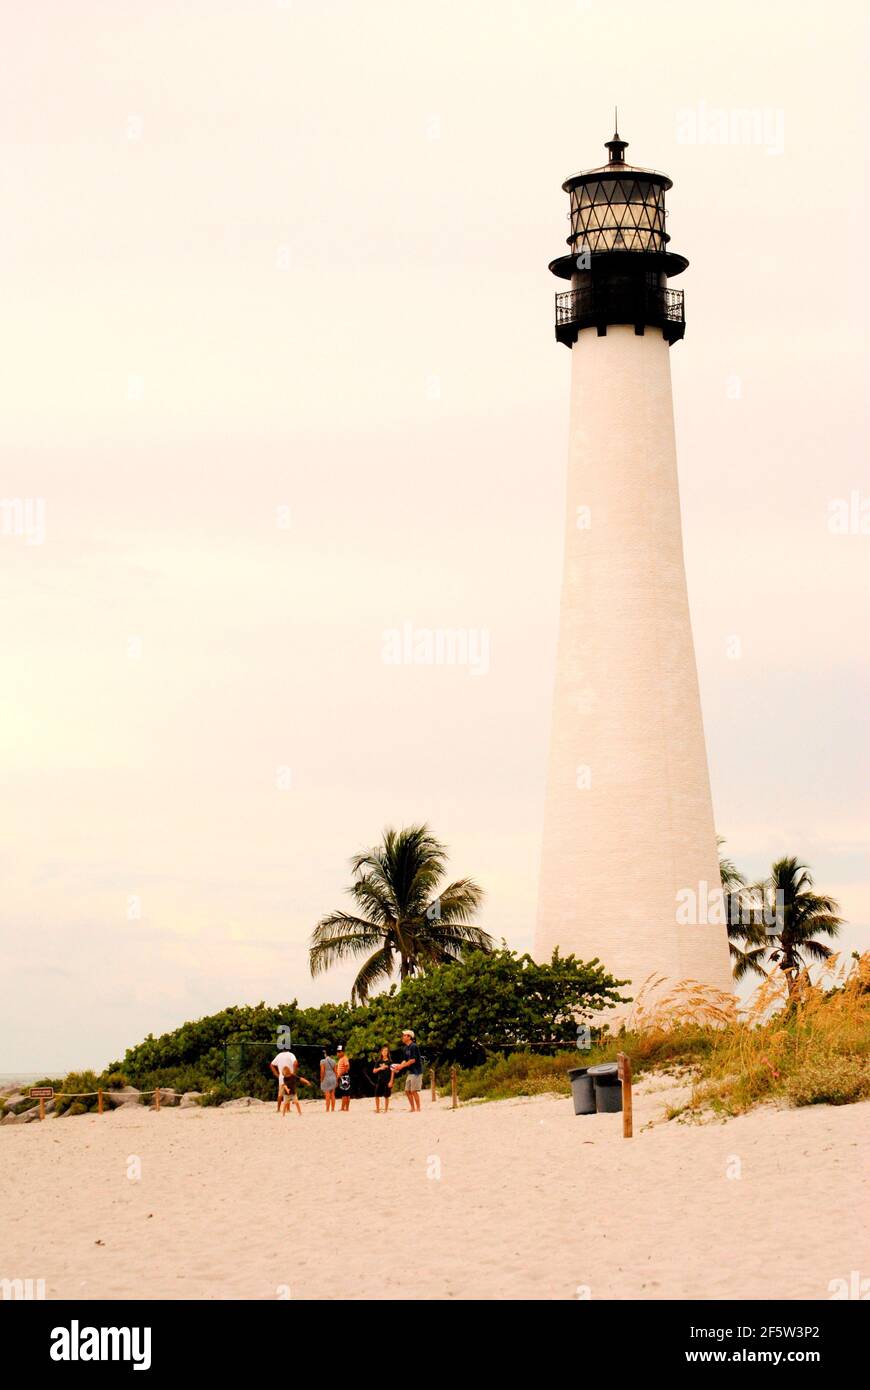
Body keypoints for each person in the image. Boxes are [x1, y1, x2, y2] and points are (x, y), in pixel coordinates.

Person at [392, 1028, 423, 1112]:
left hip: (416, 1072)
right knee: (407, 1091)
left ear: (409, 1037)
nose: (403, 1037)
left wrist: (401, 1067)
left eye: (404, 1035)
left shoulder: (414, 1046)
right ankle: (412, 1108)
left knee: (413, 1091)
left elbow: (413, 1060)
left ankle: (418, 1108)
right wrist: (398, 1066)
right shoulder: (405, 1048)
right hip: (411, 1072)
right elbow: (405, 1060)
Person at [270, 1044, 298, 1112]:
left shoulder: (279, 1055)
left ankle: (278, 1109)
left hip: (281, 1078)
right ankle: (288, 1109)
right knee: (288, 1092)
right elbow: (295, 1063)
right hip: (289, 1077)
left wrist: (276, 1074)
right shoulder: (291, 1055)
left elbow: (271, 1065)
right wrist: (294, 1073)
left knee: (280, 1094)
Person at [371, 1045, 394, 1113]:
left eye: (386, 1051)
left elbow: (393, 1072)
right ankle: (377, 1109)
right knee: (376, 1095)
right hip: (380, 1080)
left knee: (386, 1096)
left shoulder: (390, 1062)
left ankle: (386, 1110)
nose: (385, 1052)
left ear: (388, 1052)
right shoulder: (378, 1061)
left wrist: (391, 1081)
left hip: (387, 1080)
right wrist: (380, 1068)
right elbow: (374, 1071)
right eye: (384, 1051)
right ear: (381, 1052)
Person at [320, 1048, 338, 1112]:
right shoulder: (334, 1061)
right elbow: (336, 1072)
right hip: (333, 1078)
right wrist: (337, 1080)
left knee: (327, 1094)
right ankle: (333, 1109)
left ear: (326, 1054)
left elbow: (322, 1071)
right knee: (333, 1094)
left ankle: (327, 1109)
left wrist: (321, 1079)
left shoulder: (322, 1061)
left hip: (326, 1078)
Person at [335, 1045, 352, 1111]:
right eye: (338, 1052)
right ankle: (345, 1108)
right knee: (345, 1093)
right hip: (343, 1076)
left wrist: (340, 1074)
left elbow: (347, 1067)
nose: (338, 1053)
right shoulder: (341, 1059)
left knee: (345, 1093)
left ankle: (344, 1108)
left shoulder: (344, 1058)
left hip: (344, 1076)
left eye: (339, 1052)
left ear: (342, 1052)